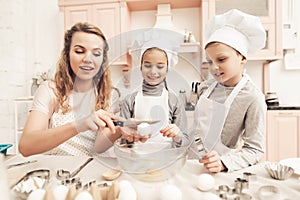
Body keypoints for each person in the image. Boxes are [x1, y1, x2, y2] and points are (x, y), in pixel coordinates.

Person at [18, 22, 121, 156]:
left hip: (93, 170)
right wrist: (79, 125)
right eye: (79, 51)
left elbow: (99, 147)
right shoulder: (50, 90)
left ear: (102, 59)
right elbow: (26, 146)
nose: (88, 59)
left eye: (96, 53)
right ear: (67, 54)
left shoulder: (110, 94)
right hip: (58, 172)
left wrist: (121, 130)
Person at [192, 9, 267, 172]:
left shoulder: (253, 98)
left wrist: (224, 163)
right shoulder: (205, 88)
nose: (214, 68)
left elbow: (254, 150)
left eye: (221, 59)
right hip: (193, 162)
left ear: (242, 57)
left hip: (225, 170)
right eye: (209, 61)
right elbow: (196, 131)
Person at [94, 46, 189, 152]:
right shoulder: (129, 100)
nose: (153, 71)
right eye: (147, 65)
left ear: (167, 69)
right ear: (141, 68)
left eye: (160, 66)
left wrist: (178, 135)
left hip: (166, 159)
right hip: (137, 160)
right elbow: (122, 140)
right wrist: (128, 135)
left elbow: (185, 142)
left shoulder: (174, 101)